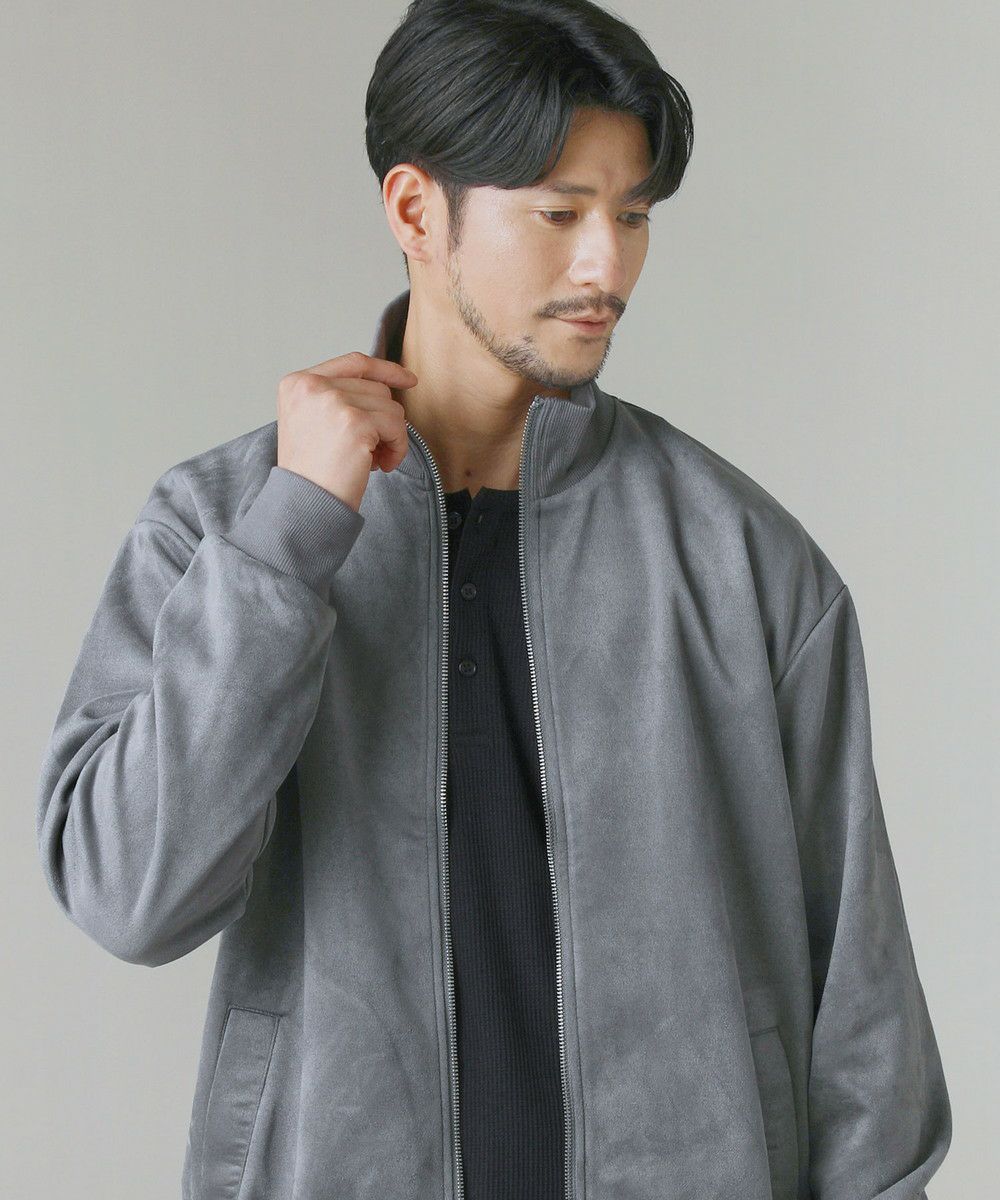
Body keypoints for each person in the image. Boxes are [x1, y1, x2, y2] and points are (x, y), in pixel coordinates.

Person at [36, 1, 952, 1197]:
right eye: (559, 214)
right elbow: (130, 898)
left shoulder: (742, 558)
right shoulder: (225, 527)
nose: (606, 265)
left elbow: (864, 1007)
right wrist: (292, 537)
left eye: (632, 215)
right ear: (417, 211)